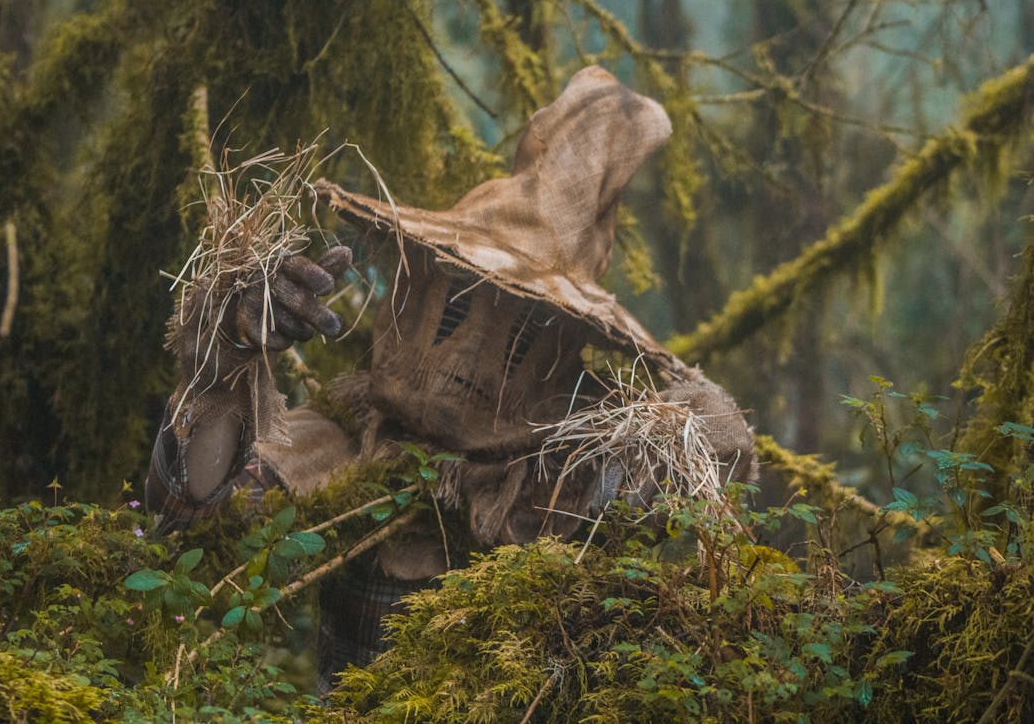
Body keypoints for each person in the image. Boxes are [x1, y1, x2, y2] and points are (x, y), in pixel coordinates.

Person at [146, 66, 757, 692]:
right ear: (418, 283)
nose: (469, 354)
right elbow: (191, 511)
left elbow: (686, 483)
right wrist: (229, 351)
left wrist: (688, 427)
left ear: (568, 347)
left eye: (524, 327)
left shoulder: (565, 483)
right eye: (458, 302)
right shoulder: (349, 441)